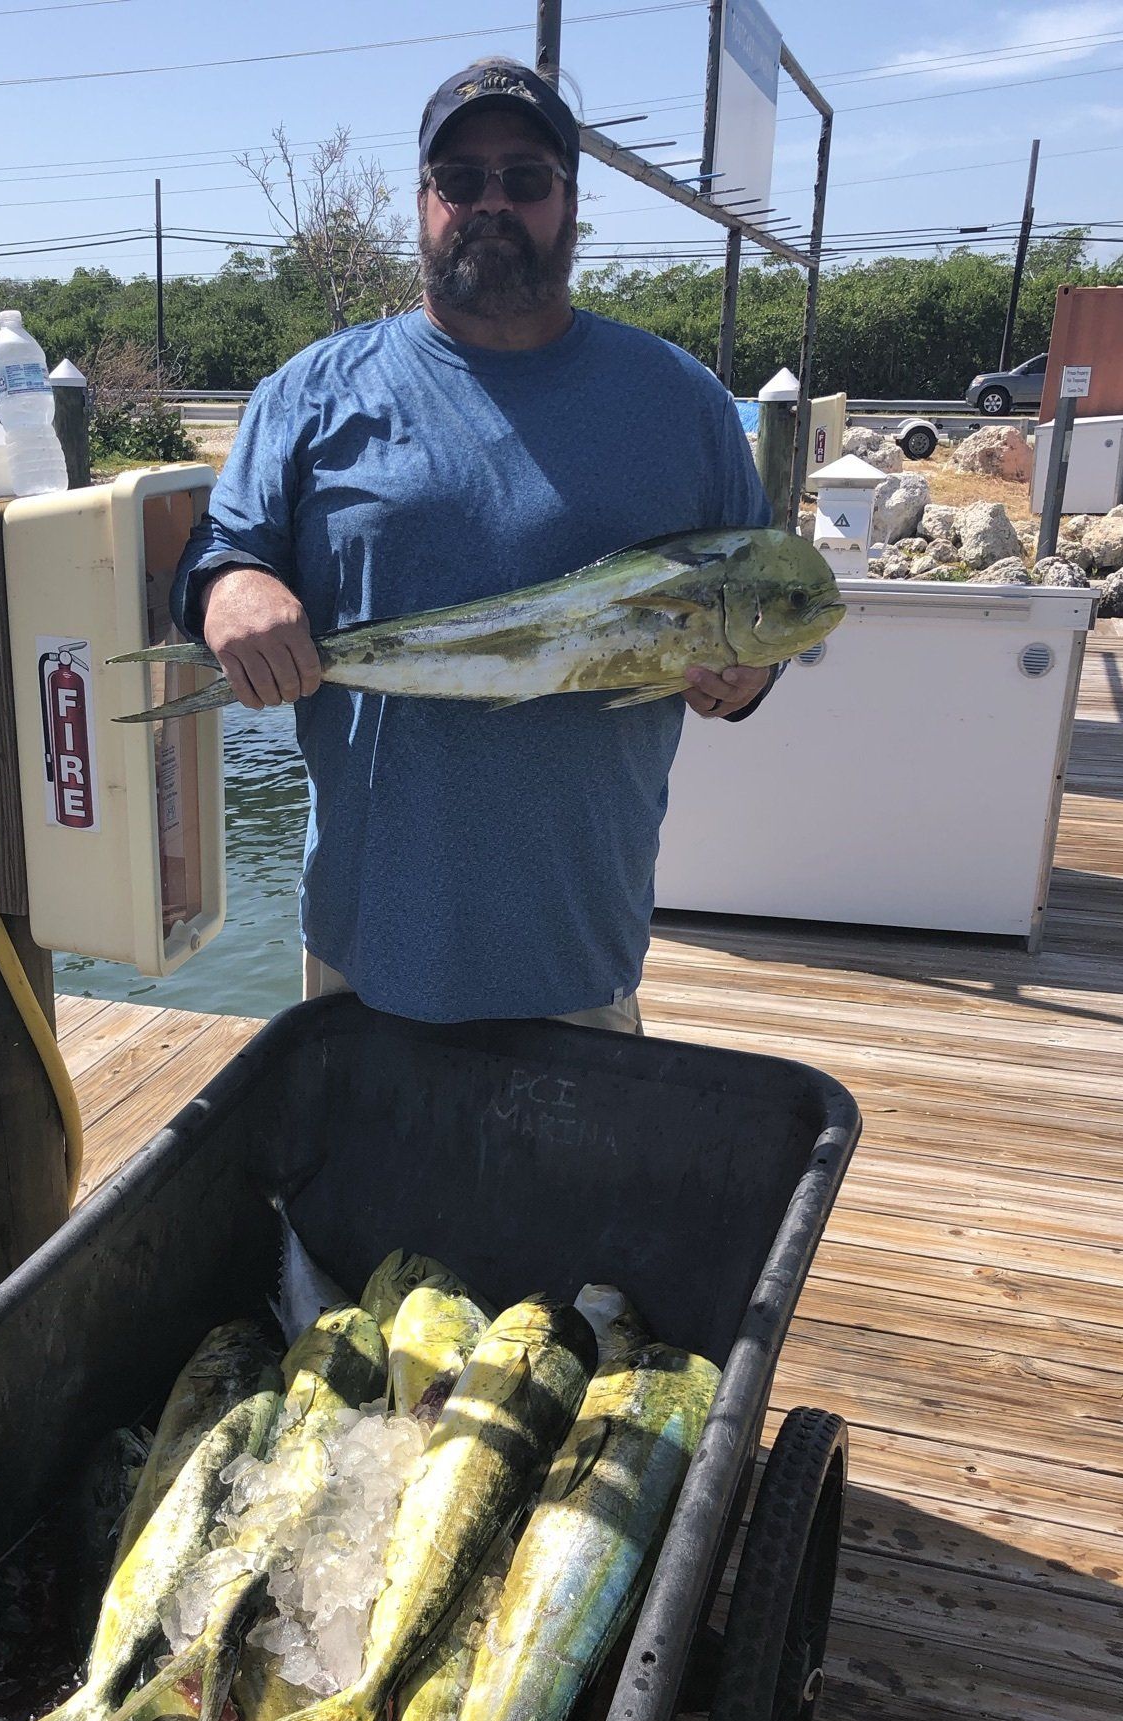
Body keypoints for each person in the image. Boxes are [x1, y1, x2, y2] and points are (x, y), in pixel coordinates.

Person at [171, 56, 776, 1032]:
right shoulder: (311, 390)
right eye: (460, 180)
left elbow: (758, 599)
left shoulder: (680, 403)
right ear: (421, 203)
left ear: (570, 206)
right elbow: (220, 551)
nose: (491, 201)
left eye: (526, 178)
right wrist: (229, 587)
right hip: (363, 949)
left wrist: (752, 676)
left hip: (578, 952)